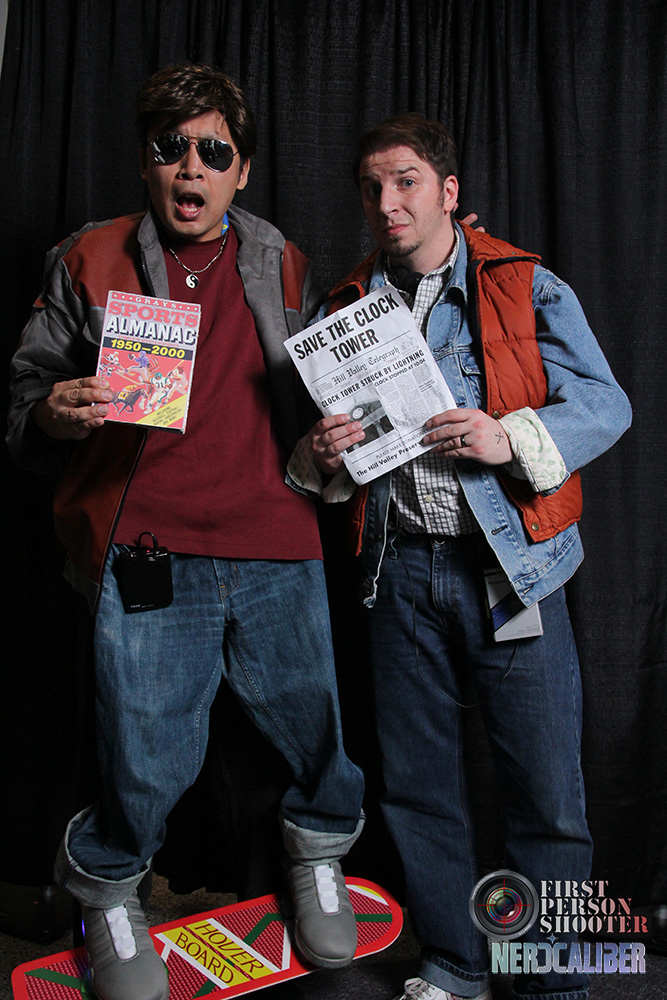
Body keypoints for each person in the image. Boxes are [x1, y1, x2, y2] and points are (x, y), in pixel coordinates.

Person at [6, 63, 364, 1000]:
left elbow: (326, 383)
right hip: (149, 544)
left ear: (241, 170)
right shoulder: (89, 257)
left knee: (315, 724)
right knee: (145, 750)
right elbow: (23, 400)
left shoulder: (281, 259)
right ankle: (109, 891)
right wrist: (54, 412)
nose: (191, 167)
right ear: (146, 161)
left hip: (277, 538)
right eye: (172, 148)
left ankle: (320, 851)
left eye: (214, 150)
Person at [293, 113, 632, 1000]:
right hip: (397, 571)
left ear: (447, 192)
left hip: (510, 572)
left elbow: (607, 403)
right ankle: (452, 965)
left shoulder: (522, 283)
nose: (386, 202)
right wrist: (322, 454)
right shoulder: (342, 309)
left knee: (546, 795)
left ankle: (551, 982)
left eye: (405, 182)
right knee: (416, 788)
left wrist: (508, 436)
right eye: (371, 187)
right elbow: (329, 458)